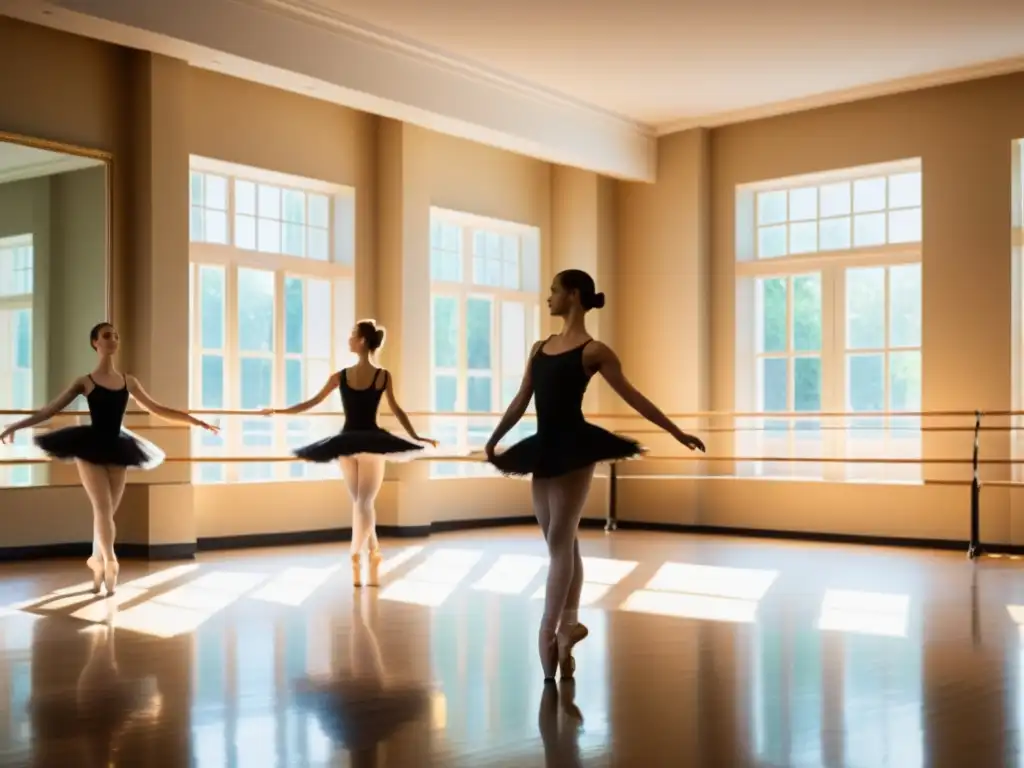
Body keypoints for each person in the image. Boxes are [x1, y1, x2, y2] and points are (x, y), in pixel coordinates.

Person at [484, 269, 705, 682]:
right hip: (544, 446)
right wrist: (495, 437)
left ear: (572, 294)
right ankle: (569, 626)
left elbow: (634, 396)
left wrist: (675, 431)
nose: (547, 297)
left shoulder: (594, 351)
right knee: (560, 541)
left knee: (559, 544)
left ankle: (548, 628)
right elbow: (521, 399)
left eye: (553, 291)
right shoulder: (539, 347)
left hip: (575, 447)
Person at [0, 322, 218, 596]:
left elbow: (158, 408)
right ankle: (112, 561)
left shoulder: (129, 381)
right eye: (106, 335)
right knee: (103, 510)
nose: (113, 339)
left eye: (116, 335)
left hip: (118, 447)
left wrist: (195, 421)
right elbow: (49, 410)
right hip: (90, 447)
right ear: (95, 343)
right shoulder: (85, 381)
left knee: (106, 514)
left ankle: (97, 562)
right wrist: (14, 426)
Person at [261, 319, 436, 588]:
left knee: (360, 503)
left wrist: (279, 411)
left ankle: (366, 556)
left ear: (363, 341)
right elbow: (397, 410)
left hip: (346, 442)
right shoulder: (382, 376)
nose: (349, 339)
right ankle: (363, 555)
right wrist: (414, 436)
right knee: (364, 503)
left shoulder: (341, 376)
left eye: (352, 335)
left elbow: (310, 403)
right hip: (372, 442)